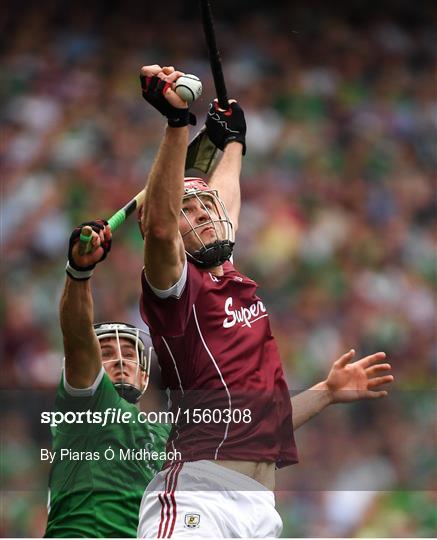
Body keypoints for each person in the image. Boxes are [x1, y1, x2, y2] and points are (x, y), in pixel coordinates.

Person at [136, 64, 394, 538]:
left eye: (204, 207)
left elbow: (225, 200)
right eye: (185, 212)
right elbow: (158, 226)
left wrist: (233, 142)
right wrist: (178, 125)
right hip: (197, 495)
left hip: (259, 511)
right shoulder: (176, 288)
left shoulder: (234, 279)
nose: (203, 216)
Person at [44, 219, 170, 538]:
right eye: (106, 353)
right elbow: (76, 333)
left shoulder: (171, 435)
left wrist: (320, 392)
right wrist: (79, 272)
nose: (118, 360)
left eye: (128, 354)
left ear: (144, 372)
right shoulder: (87, 403)